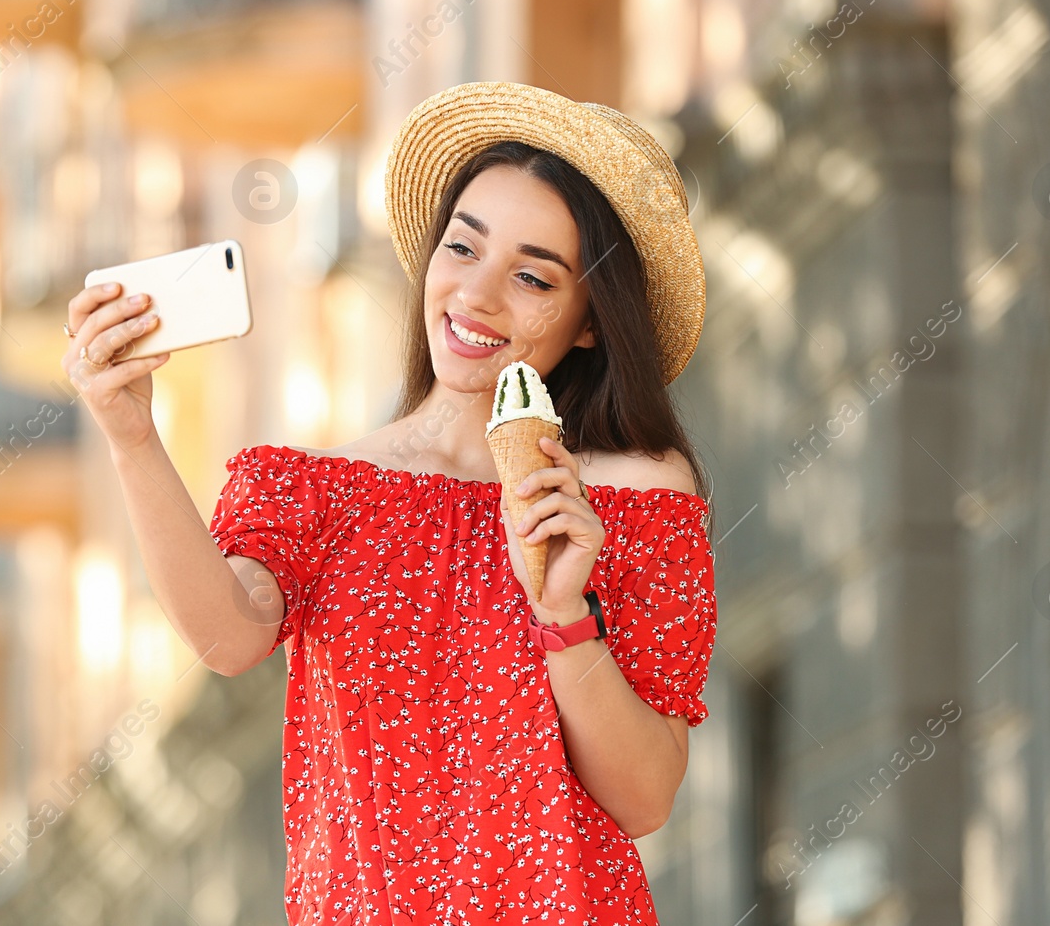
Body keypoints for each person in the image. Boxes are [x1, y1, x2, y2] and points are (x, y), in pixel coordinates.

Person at [60, 81, 717, 924]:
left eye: (531, 276)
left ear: (591, 319)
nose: (477, 296)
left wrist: (563, 610)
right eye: (462, 248)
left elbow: (645, 798)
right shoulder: (320, 489)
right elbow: (228, 637)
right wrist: (132, 437)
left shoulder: (634, 495)